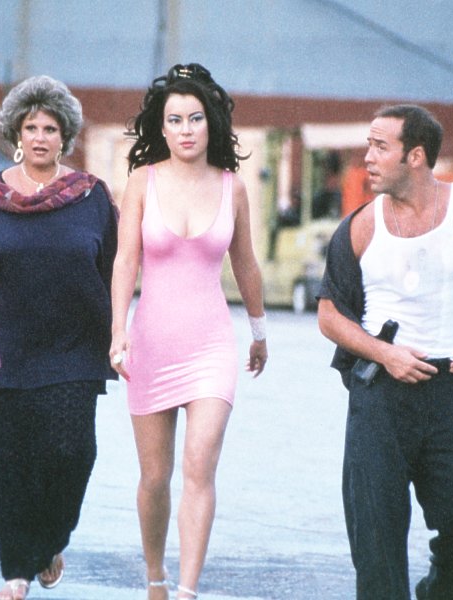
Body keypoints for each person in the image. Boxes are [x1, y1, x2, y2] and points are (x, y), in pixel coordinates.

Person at [316, 104, 453, 599]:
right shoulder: (360, 225)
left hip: (452, 391)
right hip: (379, 396)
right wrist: (383, 353)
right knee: (376, 542)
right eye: (368, 145)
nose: (368, 157)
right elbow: (329, 314)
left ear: (415, 156)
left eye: (380, 147)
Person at [110, 63, 268, 600]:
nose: (185, 129)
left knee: (200, 466)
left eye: (195, 118)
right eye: (174, 119)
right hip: (151, 342)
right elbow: (125, 261)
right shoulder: (141, 181)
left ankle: (187, 591)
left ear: (211, 123)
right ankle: (155, 577)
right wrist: (117, 331)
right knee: (155, 478)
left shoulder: (232, 187)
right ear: (161, 127)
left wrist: (259, 331)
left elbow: (245, 264)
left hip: (211, 347)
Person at [0, 74, 118, 600]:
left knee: (72, 453)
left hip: (73, 348)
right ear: (16, 133)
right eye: (32, 128)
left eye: (51, 128)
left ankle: (49, 542)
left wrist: (120, 332)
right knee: (3, 465)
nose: (41, 137)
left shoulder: (91, 197)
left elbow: (115, 268)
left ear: (64, 135)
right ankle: (16, 571)